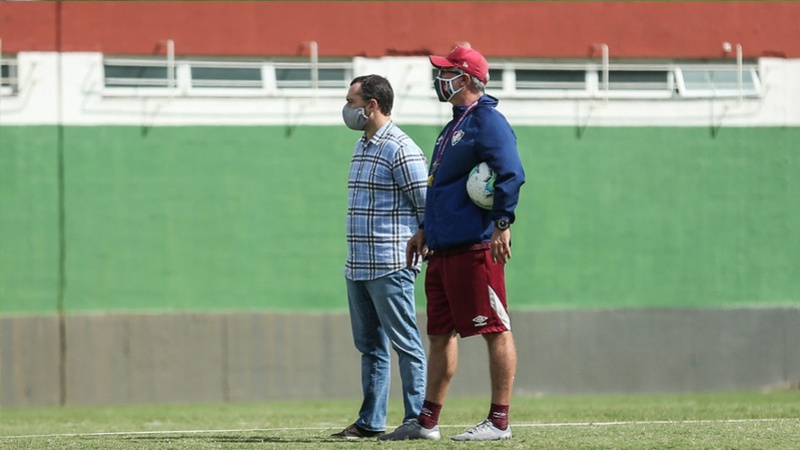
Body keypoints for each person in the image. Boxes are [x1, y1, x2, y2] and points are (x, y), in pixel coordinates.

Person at [380, 44, 525, 442]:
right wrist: (427, 229)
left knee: (495, 328)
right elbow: (442, 188)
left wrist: (501, 222)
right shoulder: (454, 126)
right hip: (442, 249)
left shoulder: (487, 120)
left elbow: (511, 172)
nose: (438, 78)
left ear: (464, 78)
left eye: (446, 72)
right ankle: (426, 422)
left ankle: (499, 422)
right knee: (441, 334)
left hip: (476, 247)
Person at [331, 74, 430, 440]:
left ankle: (418, 419)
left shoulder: (401, 148)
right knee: (370, 348)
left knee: (406, 343)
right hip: (357, 265)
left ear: (372, 105)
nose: (347, 110)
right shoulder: (362, 146)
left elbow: (426, 206)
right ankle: (371, 422)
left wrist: (424, 245)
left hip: (390, 265)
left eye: (352, 102)